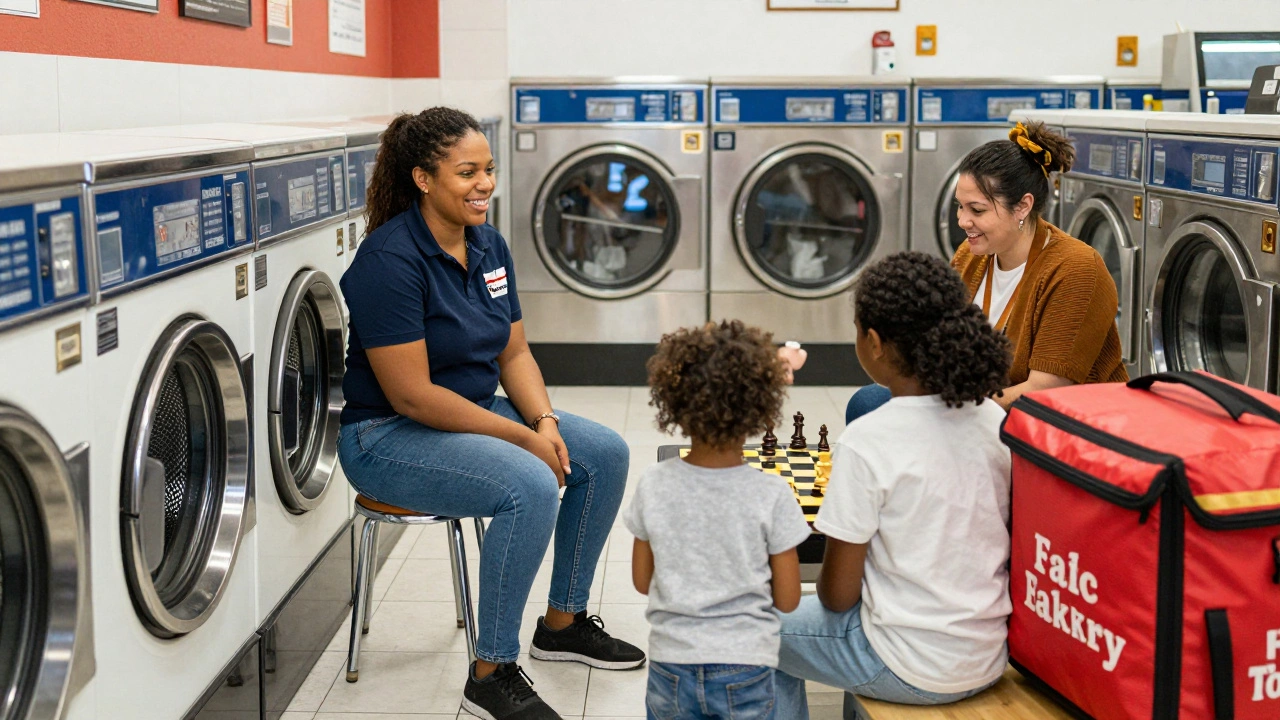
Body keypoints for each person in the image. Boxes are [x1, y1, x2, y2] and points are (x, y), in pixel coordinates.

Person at [337, 108, 644, 720]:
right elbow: (412, 396)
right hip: (386, 435)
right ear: (424, 178)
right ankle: (491, 670)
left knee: (604, 453)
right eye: (467, 172)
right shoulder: (389, 260)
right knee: (530, 484)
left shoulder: (488, 245)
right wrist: (519, 439)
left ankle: (562, 624)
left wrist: (545, 424)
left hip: (472, 411)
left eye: (490, 170)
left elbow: (515, 349)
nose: (484, 184)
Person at [775, 252, 1015, 718]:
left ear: (874, 342)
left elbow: (836, 596)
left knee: (748, 628)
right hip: (987, 654)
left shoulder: (868, 441)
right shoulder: (993, 417)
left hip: (910, 665)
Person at [845, 121, 1126, 423]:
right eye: (960, 207)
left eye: (977, 210)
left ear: (1022, 207)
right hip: (983, 402)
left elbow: (1046, 389)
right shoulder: (972, 254)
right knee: (869, 402)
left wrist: (956, 410)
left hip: (1052, 422)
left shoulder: (1076, 270)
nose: (963, 221)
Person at [626, 320, 813, 720]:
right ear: (760, 410)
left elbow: (642, 581)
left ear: (673, 404)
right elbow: (789, 598)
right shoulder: (772, 494)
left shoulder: (654, 484)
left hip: (670, 666)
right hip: (746, 665)